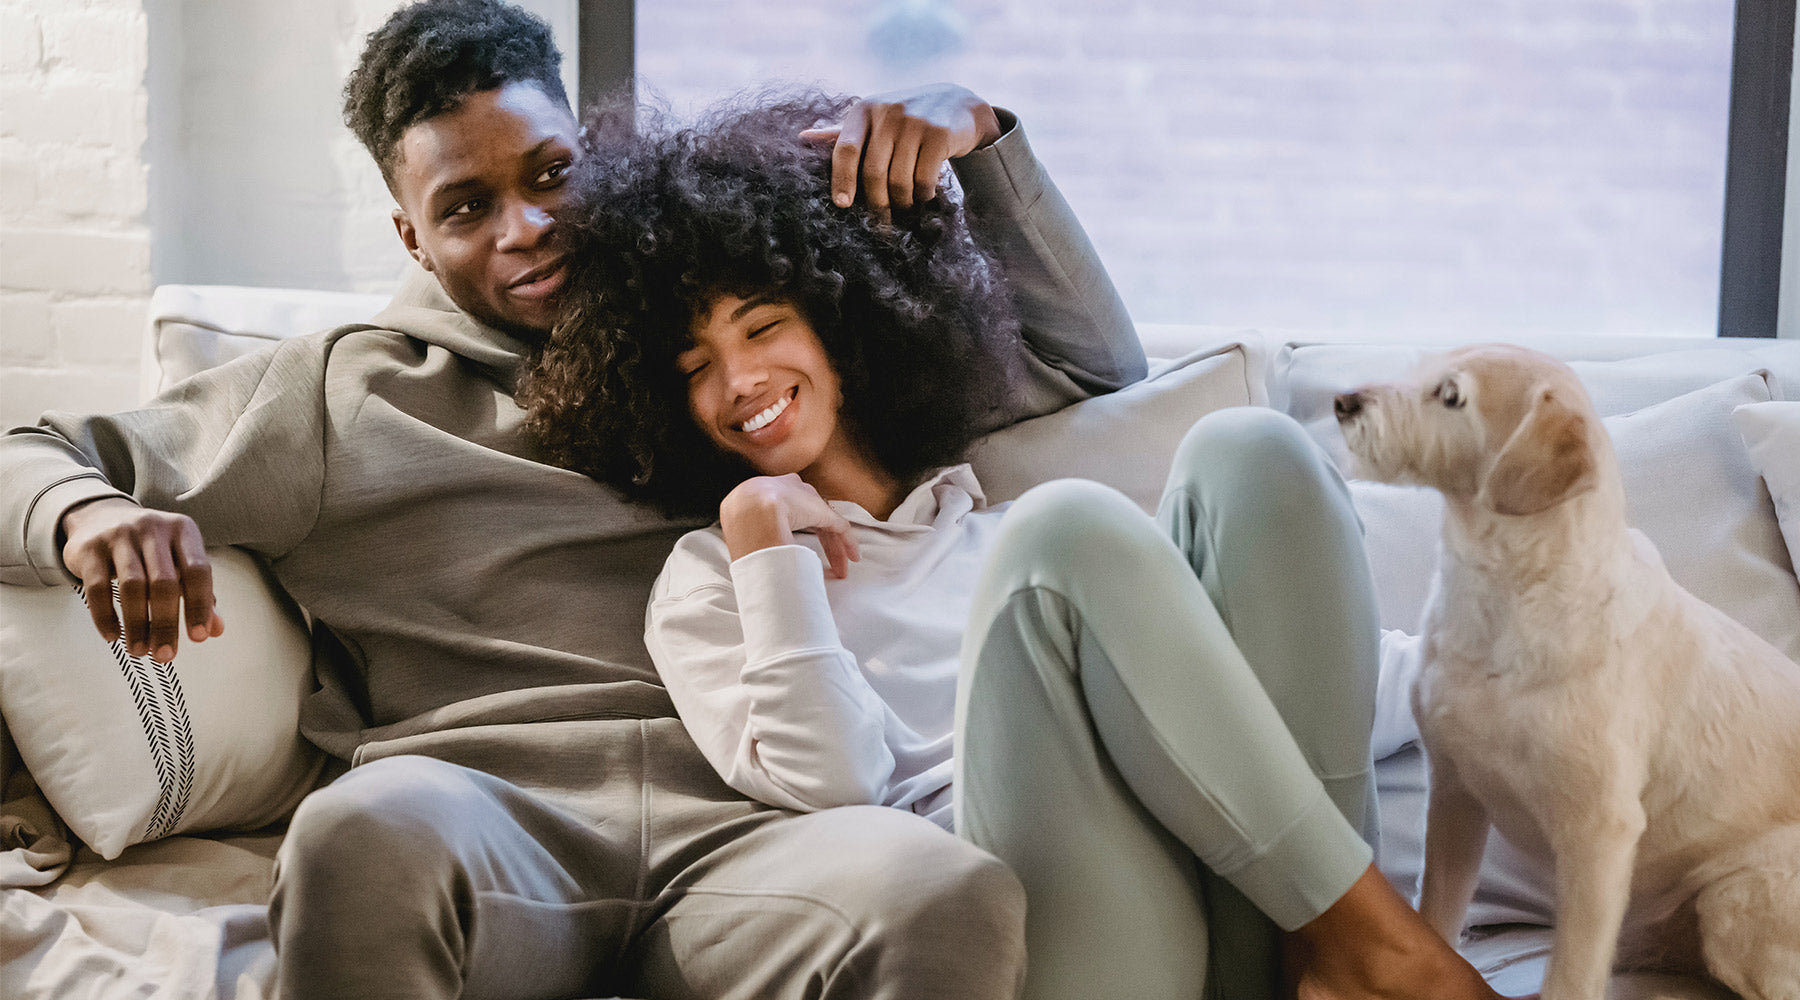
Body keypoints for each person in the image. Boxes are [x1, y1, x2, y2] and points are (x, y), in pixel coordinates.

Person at [0, 0, 1149, 995]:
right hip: (493, 826)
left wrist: (984, 139)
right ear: (410, 232)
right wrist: (84, 514)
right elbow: (31, 448)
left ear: (596, 152)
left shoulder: (714, 352)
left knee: (940, 886)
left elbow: (1090, 368)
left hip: (756, 835)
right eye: (465, 207)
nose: (527, 228)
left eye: (552, 175)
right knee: (362, 827)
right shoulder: (341, 389)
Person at [525, 93, 1515, 1000]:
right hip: (1076, 932)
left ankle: (1330, 953)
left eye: (764, 327)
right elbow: (833, 786)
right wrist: (764, 547)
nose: (739, 379)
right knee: (1064, 536)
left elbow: (1322, 675)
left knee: (1251, 451)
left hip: (1238, 892)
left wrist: (1540, 671)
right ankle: (1373, 940)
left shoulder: (987, 518)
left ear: (839, 321)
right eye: (698, 368)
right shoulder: (713, 580)